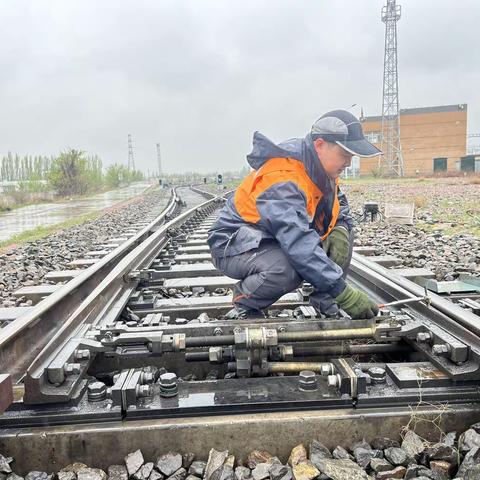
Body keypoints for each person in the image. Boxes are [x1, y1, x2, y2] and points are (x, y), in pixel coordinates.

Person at [207, 110, 381, 319]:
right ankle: (245, 299)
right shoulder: (283, 178)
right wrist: (345, 293)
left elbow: (338, 201)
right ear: (319, 145)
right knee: (289, 269)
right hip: (235, 244)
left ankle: (326, 301)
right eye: (345, 155)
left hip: (271, 238)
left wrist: (341, 227)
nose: (349, 163)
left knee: (342, 236)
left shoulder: (321, 169)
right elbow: (298, 244)